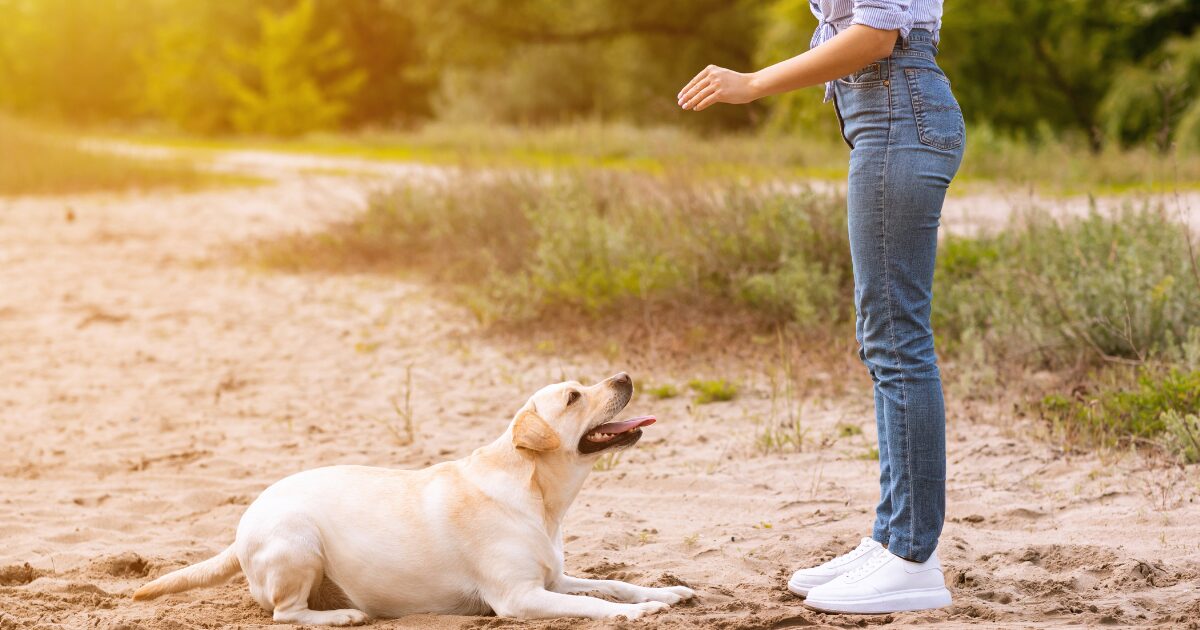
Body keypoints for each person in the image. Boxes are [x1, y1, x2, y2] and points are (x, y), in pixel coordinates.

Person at [676, 0, 963, 615]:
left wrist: (751, 83)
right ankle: (892, 538)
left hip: (897, 113)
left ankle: (913, 557)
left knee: (897, 340)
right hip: (887, 116)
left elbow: (877, 37)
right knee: (882, 337)